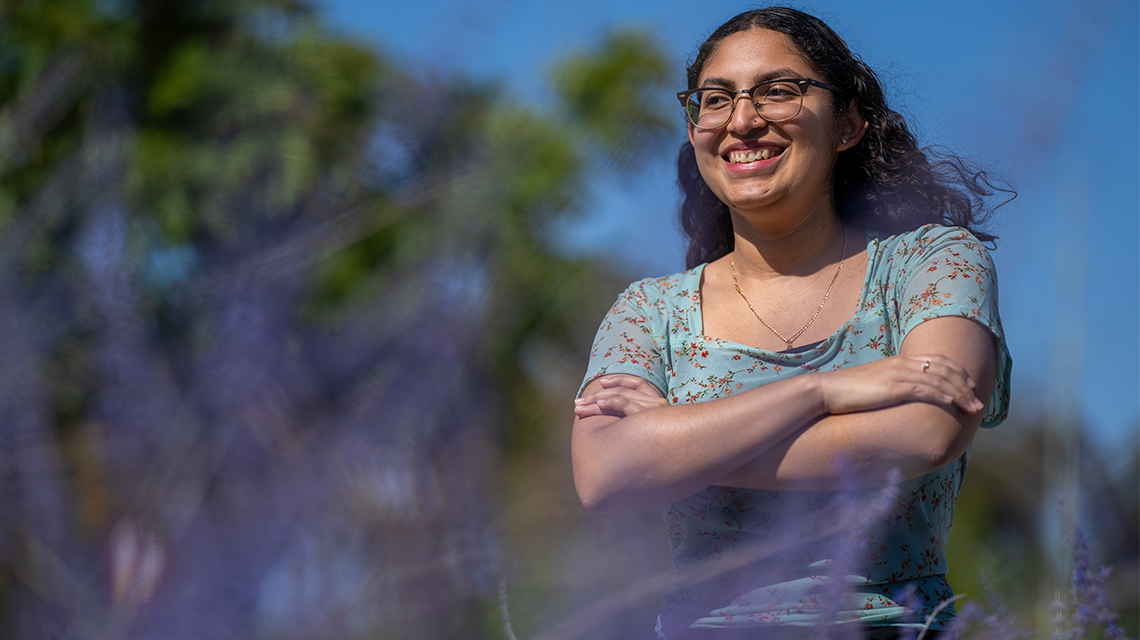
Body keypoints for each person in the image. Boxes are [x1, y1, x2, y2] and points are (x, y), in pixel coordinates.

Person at [571, 7, 1013, 639]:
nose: (743, 119)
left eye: (778, 91)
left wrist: (673, 446)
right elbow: (602, 473)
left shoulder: (931, 262)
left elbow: (927, 430)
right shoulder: (649, 310)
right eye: (715, 99)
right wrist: (821, 391)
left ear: (850, 123)